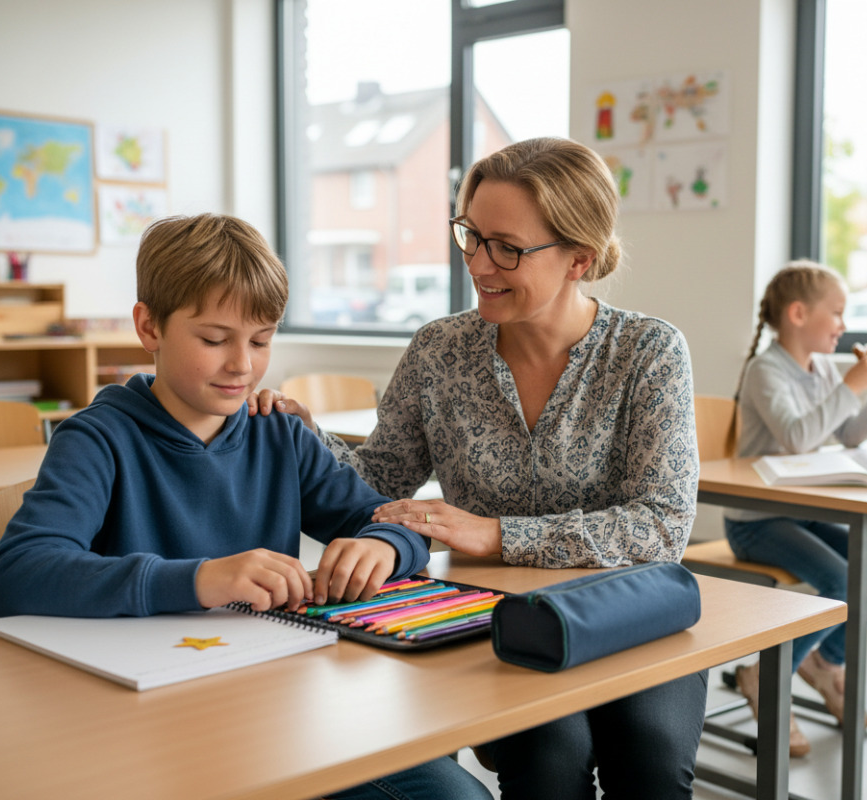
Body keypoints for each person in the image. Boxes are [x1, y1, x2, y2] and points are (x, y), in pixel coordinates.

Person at [0, 213, 492, 800]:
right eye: (214, 339)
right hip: (143, 724)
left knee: (458, 797)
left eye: (261, 340)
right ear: (149, 326)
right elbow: (15, 576)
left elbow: (391, 521)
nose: (242, 365)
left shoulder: (280, 434)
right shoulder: (97, 440)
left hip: (278, 708)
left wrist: (382, 544)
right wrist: (201, 579)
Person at [254, 137, 705, 800]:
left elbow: (661, 526)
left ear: (579, 258)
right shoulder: (440, 348)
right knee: (550, 756)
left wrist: (496, 535)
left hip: (628, 612)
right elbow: (381, 480)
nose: (478, 263)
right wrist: (302, 438)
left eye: (507, 247)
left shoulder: (649, 351)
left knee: (651, 754)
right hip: (500, 616)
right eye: (471, 236)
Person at [723, 260, 867, 757]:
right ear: (799, 313)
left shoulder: (824, 368)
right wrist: (853, 386)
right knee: (843, 581)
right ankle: (766, 674)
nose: (844, 327)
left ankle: (824, 663)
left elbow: (847, 433)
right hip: (755, 519)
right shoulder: (766, 370)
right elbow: (800, 437)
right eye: (838, 314)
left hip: (802, 509)